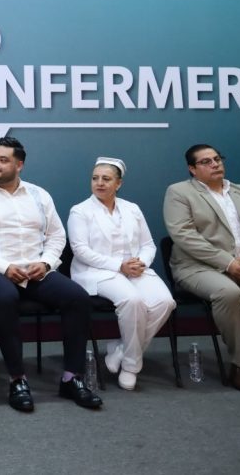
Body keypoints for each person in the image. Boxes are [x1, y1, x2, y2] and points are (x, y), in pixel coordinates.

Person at [0, 136, 101, 411]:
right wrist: (3, 267)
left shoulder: (39, 195)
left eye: (3, 160)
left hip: (35, 270)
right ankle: (17, 379)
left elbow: (56, 236)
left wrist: (45, 263)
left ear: (19, 165)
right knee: (6, 297)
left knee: (77, 298)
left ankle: (72, 377)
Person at [163, 143, 240, 394]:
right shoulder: (179, 192)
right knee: (229, 293)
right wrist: (228, 263)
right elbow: (184, 236)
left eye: (217, 159)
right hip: (198, 268)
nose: (215, 164)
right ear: (192, 169)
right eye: (206, 161)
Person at [68, 157, 175, 390]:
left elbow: (148, 245)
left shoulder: (132, 209)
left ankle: (120, 350)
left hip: (134, 269)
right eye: (95, 178)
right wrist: (119, 266)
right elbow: (80, 251)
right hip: (97, 271)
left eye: (106, 179)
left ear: (118, 184)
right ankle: (131, 366)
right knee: (132, 300)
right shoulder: (80, 211)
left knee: (165, 302)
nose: (99, 183)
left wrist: (141, 262)